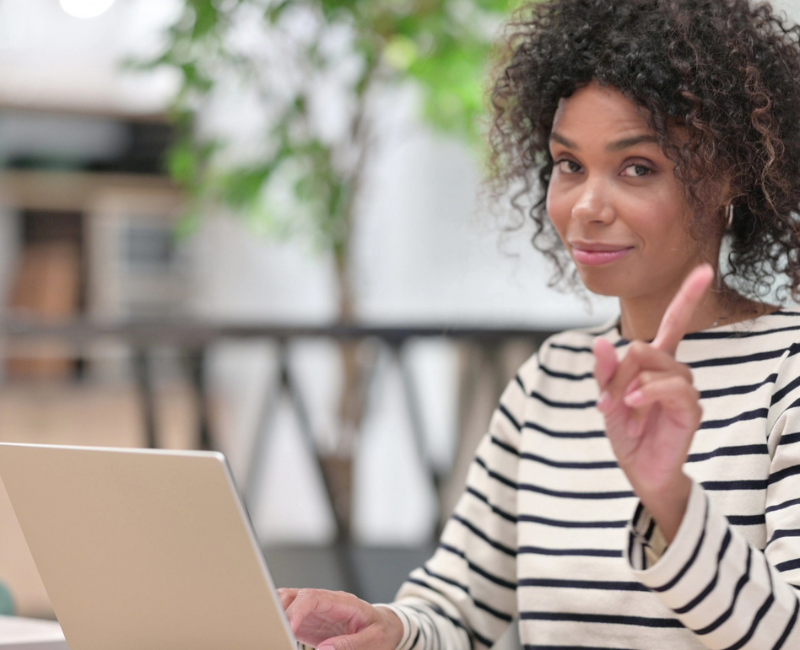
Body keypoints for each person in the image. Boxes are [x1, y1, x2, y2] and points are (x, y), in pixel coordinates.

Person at [279, 0, 800, 647]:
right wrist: (389, 628)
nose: (586, 206)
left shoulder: (787, 375)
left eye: (638, 168)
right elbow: (459, 613)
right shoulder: (551, 379)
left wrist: (670, 499)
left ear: (730, 178)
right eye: (569, 165)